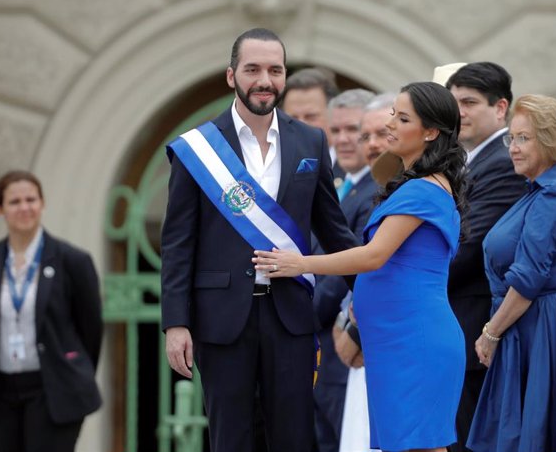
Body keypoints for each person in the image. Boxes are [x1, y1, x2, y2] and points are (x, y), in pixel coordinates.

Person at [161, 28, 358, 452]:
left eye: (275, 69)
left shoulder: (310, 140)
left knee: (294, 438)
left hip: (290, 317)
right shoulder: (198, 148)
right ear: (232, 76)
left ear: (284, 76)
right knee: (232, 438)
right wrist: (176, 323)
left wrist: (374, 288)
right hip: (221, 319)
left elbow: (334, 231)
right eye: (253, 69)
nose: (264, 79)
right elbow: (178, 243)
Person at [254, 81, 467, 452]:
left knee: (422, 447)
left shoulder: (422, 190)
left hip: (414, 339)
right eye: (392, 115)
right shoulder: (417, 185)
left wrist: (299, 263)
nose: (389, 126)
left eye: (402, 119)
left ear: (430, 132)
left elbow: (373, 256)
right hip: (397, 338)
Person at [467, 94, 556, 452]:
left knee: (539, 435)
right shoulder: (538, 192)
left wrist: (490, 333)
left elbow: (528, 279)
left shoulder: (553, 195)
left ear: (550, 139)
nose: (513, 147)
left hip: (546, 327)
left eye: (523, 138)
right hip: (533, 325)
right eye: (511, 138)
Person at [0, 170, 103, 452]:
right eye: (14, 201)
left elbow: (91, 329)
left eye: (31, 199)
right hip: (0, 392)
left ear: (42, 204)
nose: (24, 208)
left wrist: (74, 366)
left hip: (54, 389)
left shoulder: (72, 260)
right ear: (0, 209)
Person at [444, 61, 526, 452]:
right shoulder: (471, 159)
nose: (458, 111)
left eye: (469, 101)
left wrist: (411, 281)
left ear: (500, 108)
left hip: (474, 323)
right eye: (453, 101)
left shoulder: (504, 162)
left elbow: (469, 245)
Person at [312, 88, 375, 452]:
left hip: (343, 345)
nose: (344, 139)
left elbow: (347, 267)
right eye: (335, 132)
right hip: (318, 349)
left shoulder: (376, 190)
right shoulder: (331, 180)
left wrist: (302, 313)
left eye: (354, 129)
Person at [335, 92, 396, 452]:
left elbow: (374, 262)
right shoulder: (381, 192)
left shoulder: (415, 193)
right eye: (366, 136)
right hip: (366, 336)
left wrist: (301, 265)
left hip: (394, 338)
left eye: (382, 134)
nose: (372, 145)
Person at [282, 67, 345, 186]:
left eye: (311, 117)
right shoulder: (274, 168)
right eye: (293, 118)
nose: (301, 125)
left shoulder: (351, 172)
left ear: (333, 116)